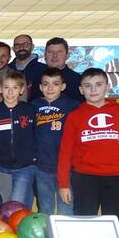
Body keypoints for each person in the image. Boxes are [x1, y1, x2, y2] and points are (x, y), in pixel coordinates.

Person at [57, 68, 119, 235]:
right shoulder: (75, 116)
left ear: (107, 86)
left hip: (117, 178)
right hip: (84, 178)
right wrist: (63, 183)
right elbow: (65, 152)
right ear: (81, 90)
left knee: (115, 227)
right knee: (84, 224)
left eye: (98, 84)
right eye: (88, 86)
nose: (93, 89)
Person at [0, 72, 36, 210]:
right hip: (2, 167)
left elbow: (37, 135)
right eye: (6, 88)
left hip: (25, 167)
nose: (10, 92)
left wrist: (35, 157)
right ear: (0, 89)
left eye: (15, 88)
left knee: (14, 207)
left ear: (22, 90)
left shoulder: (29, 110)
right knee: (6, 204)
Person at [32, 68, 79, 215]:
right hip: (41, 168)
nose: (50, 88)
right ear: (40, 87)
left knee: (66, 209)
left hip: (66, 169)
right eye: (46, 84)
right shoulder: (34, 105)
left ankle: (66, 237)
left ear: (63, 87)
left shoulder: (73, 106)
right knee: (45, 209)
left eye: (55, 84)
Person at [42, 37, 84, 103]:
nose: (54, 55)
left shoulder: (78, 80)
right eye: (50, 52)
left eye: (59, 52)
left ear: (67, 56)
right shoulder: (38, 79)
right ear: (45, 56)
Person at [9, 34, 46, 101]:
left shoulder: (44, 70)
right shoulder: (7, 70)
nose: (21, 47)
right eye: (17, 45)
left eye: (25, 44)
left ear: (32, 47)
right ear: (13, 49)